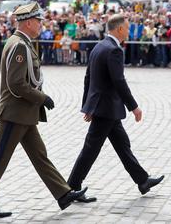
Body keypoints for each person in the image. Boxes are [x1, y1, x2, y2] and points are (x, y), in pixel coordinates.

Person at [0, 2, 87, 219]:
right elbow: (16, 83)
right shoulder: (19, 45)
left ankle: (63, 193)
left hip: (24, 114)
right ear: (28, 23)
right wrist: (42, 98)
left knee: (40, 156)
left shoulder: (20, 42)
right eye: (38, 21)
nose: (40, 24)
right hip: (15, 113)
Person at [67, 14, 164, 203]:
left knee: (122, 145)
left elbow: (88, 78)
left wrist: (88, 105)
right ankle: (71, 187)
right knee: (91, 149)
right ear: (119, 29)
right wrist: (134, 107)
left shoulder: (99, 46)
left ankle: (142, 181)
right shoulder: (114, 50)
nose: (128, 31)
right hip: (107, 109)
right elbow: (119, 81)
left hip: (104, 108)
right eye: (127, 28)